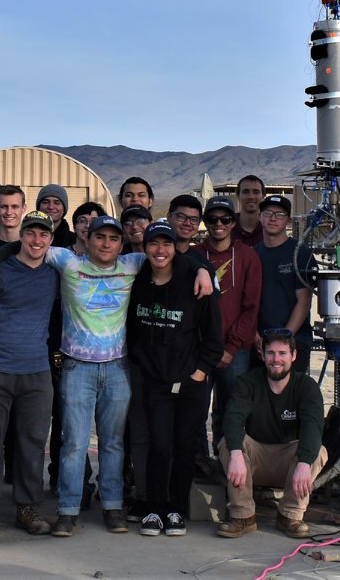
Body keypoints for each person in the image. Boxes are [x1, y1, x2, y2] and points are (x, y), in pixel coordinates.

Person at [0, 216, 211, 536]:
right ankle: (68, 510)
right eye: (100, 237)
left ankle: (112, 507)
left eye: (113, 239)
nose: (106, 244)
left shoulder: (132, 264)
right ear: (87, 238)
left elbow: (169, 254)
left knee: (113, 443)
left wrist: (202, 270)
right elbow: (29, 244)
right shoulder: (67, 262)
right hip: (77, 367)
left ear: (121, 244)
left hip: (117, 367)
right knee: (73, 443)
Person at [0, 211, 60, 536]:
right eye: (30, 233)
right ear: (22, 236)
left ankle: (27, 507)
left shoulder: (57, 271)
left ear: (51, 239)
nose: (36, 240)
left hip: (36, 373)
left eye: (43, 235)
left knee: (32, 442)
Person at [126, 219, 222, 538]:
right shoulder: (137, 283)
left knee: (183, 448)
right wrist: (142, 366)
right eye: (154, 244)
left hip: (190, 383)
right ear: (145, 248)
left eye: (167, 244)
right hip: (155, 382)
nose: (160, 250)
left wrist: (199, 373)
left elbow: (213, 336)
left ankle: (177, 511)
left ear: (174, 248)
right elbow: (131, 331)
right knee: (159, 447)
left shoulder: (195, 281)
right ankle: (155, 509)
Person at [215, 331, 327, 539]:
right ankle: (242, 516)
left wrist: (304, 462)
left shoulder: (306, 386)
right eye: (271, 353)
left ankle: (290, 516)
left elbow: (313, 426)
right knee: (229, 444)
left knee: (317, 451)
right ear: (262, 355)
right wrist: (237, 453)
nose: (276, 359)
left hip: (288, 460)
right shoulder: (247, 382)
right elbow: (233, 418)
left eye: (283, 353)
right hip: (255, 457)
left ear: (293, 356)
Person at [197, 195, 263, 460]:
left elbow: (251, 306)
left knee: (231, 412)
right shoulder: (194, 256)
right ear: (206, 222)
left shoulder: (248, 257)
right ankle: (199, 465)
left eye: (225, 218)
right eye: (212, 219)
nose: (219, 224)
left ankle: (227, 463)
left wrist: (232, 346)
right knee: (196, 410)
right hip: (200, 350)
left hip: (235, 351)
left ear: (233, 222)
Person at [254, 195, 313, 377]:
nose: (273, 218)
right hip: (258, 343)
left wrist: (284, 339)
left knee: (291, 399)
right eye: (268, 213)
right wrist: (255, 336)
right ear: (259, 216)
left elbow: (304, 302)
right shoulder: (252, 254)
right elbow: (245, 301)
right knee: (259, 399)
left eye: (279, 214)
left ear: (288, 220)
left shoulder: (300, 253)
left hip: (294, 341)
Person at [37, 184, 76, 248]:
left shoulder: (74, 241)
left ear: (64, 209)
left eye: (57, 203)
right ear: (39, 207)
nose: (51, 207)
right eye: (45, 202)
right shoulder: (26, 238)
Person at [233, 175, 266, 248]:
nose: (251, 196)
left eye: (256, 192)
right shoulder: (227, 226)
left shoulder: (269, 227)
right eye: (246, 192)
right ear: (238, 196)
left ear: (263, 196)